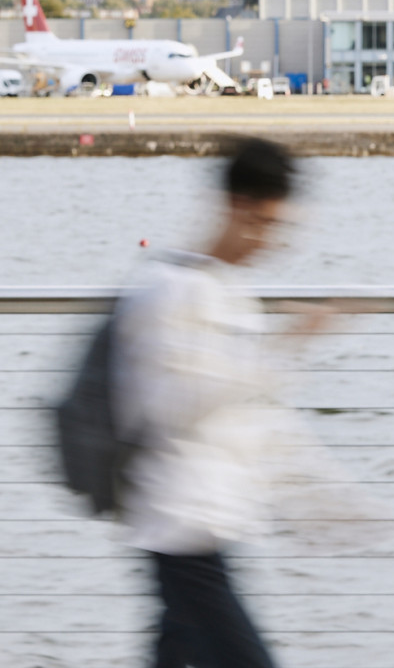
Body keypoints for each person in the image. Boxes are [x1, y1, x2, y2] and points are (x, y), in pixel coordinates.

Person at [116, 137, 298, 668]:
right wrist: (287, 345)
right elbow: (171, 406)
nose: (269, 242)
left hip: (211, 522)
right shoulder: (169, 291)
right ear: (235, 208)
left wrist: (322, 504)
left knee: (176, 651)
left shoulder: (230, 294)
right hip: (179, 523)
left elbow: (249, 413)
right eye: (265, 224)